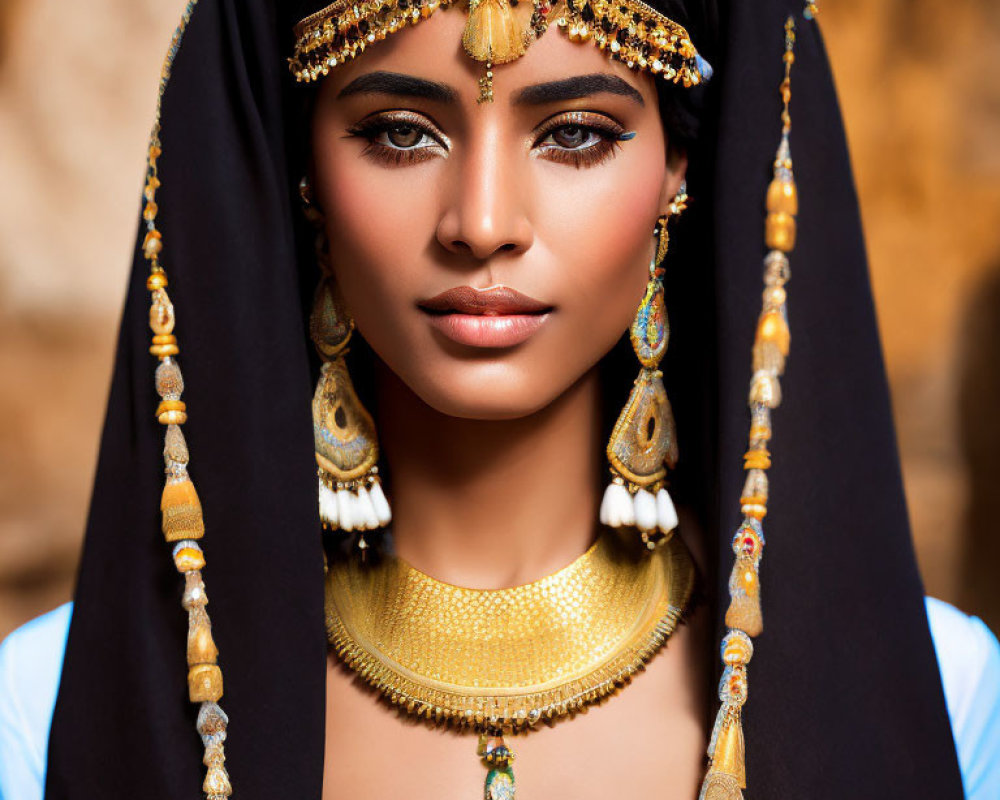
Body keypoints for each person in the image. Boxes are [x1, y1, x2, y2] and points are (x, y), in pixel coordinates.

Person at [1, 0, 999, 798]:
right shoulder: (48, 706)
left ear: (678, 173)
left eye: (573, 134)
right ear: (303, 170)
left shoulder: (947, 692)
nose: (481, 222)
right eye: (399, 132)